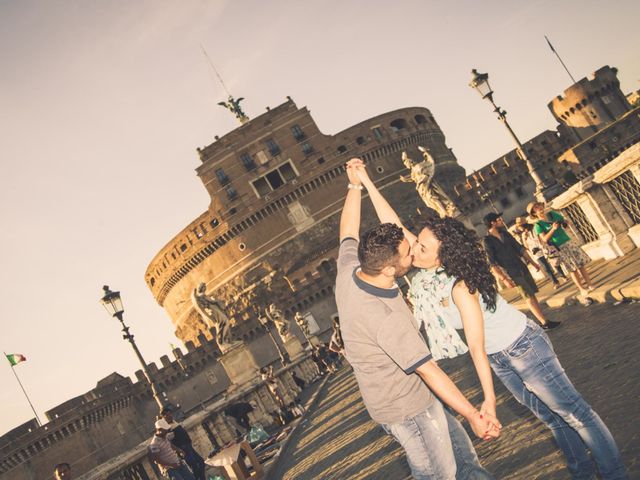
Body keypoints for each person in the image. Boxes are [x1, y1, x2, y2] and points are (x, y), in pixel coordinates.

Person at [355, 162, 628, 480]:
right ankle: (582, 472)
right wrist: (365, 180)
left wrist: (488, 402)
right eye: (416, 243)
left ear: (443, 256)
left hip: (523, 347)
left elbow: (475, 346)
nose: (413, 248)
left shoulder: (459, 283)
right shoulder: (426, 265)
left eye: (422, 246)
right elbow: (394, 224)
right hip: (502, 356)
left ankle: (615, 474)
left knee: (575, 413)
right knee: (552, 419)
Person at [335, 158, 498, 480]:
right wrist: (471, 415)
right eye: (409, 252)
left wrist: (355, 185)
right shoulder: (383, 319)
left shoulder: (351, 269)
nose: (415, 252)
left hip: (417, 399)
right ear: (389, 269)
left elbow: (347, 232)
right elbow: (429, 370)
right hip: (407, 409)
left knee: (466, 465)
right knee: (439, 474)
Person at [482, 212, 560, 330]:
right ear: (492, 223)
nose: (501, 220)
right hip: (511, 272)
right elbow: (492, 263)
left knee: (532, 294)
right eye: (498, 219)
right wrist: (504, 278)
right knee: (527, 296)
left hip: (521, 266)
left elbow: (520, 248)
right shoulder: (487, 241)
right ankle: (544, 322)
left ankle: (543, 320)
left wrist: (533, 263)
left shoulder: (505, 233)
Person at [527, 201, 595, 302]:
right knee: (573, 269)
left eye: (539, 205)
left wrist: (565, 223)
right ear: (534, 213)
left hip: (568, 242)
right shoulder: (538, 225)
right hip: (558, 247)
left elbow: (566, 222)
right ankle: (582, 289)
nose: (539, 208)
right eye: (536, 208)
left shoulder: (552, 214)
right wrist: (553, 229)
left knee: (581, 264)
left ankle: (590, 284)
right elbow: (544, 239)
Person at [517, 220, 566, 289]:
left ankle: (563, 276)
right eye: (519, 227)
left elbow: (541, 236)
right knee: (546, 268)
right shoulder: (523, 235)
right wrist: (525, 238)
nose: (520, 228)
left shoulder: (534, 227)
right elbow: (526, 247)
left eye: (520, 226)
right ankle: (555, 282)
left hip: (544, 247)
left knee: (555, 262)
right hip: (536, 253)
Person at [160, 406, 205, 480]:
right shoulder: (165, 427)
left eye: (170, 413)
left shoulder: (173, 421)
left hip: (188, 446)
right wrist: (178, 450)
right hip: (183, 449)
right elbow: (167, 441)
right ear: (164, 416)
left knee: (201, 462)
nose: (171, 415)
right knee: (194, 465)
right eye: (168, 414)